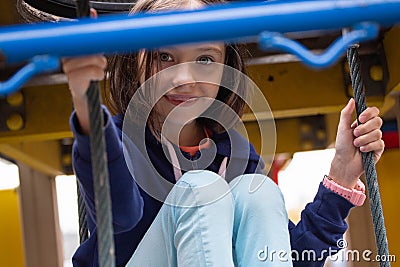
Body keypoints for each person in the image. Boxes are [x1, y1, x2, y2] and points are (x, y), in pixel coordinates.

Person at [62, 0, 385, 266]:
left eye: (204, 59)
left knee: (256, 191)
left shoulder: (233, 152)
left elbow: (288, 256)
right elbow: (120, 217)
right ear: (135, 60)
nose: (183, 78)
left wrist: (341, 176)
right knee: (201, 187)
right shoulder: (120, 141)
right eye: (164, 56)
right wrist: (85, 101)